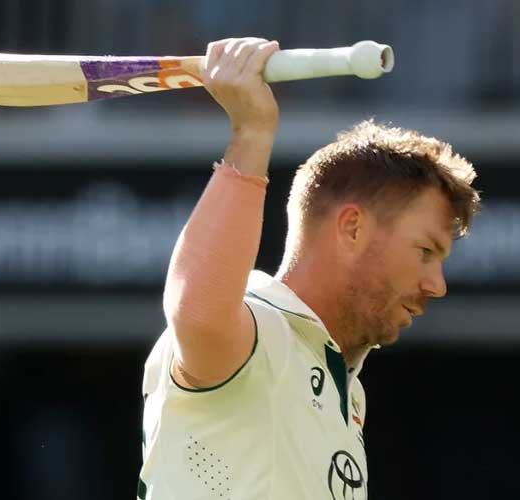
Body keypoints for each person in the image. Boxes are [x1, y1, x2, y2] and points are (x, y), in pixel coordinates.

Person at [138, 37, 480, 499]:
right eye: (424, 251)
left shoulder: (345, 392)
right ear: (353, 227)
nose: (437, 285)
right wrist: (252, 133)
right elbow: (198, 316)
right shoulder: (262, 335)